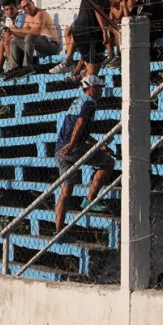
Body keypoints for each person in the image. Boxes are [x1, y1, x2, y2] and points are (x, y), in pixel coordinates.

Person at [53, 74, 115, 234]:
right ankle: (90, 199)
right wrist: (72, 144)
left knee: (65, 191)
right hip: (73, 148)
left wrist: (100, 146)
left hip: (60, 150)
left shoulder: (77, 101)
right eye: (100, 87)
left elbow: (83, 131)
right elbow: (79, 125)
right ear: (91, 88)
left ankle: (58, 231)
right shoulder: (89, 103)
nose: (102, 90)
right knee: (108, 162)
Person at [51, 0, 120, 77]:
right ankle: (89, 90)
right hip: (90, 32)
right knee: (93, 71)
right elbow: (99, 10)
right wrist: (104, 31)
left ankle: (76, 76)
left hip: (79, 31)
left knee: (89, 68)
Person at [7, 0, 60, 70]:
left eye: (28, 5)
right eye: (24, 7)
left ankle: (27, 67)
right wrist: (13, 32)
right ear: (22, 9)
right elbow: (23, 34)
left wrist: (18, 30)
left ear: (33, 3)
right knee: (14, 41)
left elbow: (36, 32)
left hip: (51, 46)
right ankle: (14, 69)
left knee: (29, 37)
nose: (27, 8)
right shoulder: (28, 17)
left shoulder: (41, 13)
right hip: (37, 47)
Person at [0, 0, 26, 74]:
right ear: (4, 11)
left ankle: (12, 67)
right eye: (7, 9)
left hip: (24, 47)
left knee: (6, 39)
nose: (10, 11)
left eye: (11, 8)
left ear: (16, 7)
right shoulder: (10, 21)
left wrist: (9, 34)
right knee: (2, 42)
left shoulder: (21, 17)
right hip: (15, 48)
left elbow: (18, 33)